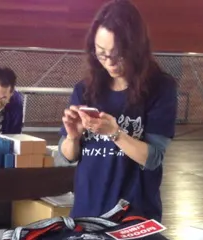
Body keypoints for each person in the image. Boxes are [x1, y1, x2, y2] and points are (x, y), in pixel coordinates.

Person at [58, 0, 178, 221]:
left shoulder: (160, 88)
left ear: (136, 49)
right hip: (87, 211)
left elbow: (153, 158)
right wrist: (72, 137)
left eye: (118, 54)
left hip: (134, 214)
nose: (109, 62)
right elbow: (67, 156)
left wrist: (115, 134)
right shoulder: (84, 90)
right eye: (101, 53)